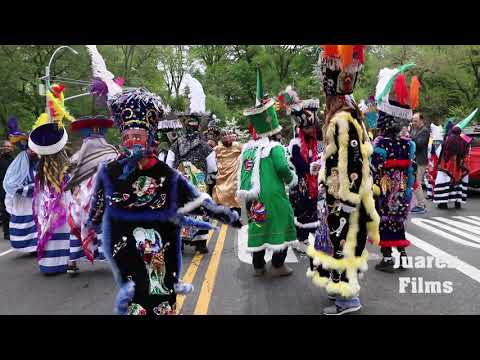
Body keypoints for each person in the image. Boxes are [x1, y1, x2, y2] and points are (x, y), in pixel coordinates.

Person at [86, 88, 241, 315]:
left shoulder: (167, 174)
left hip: (161, 253)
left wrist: (223, 213)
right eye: (128, 138)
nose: (132, 143)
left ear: (149, 139)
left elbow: (197, 201)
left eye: (137, 137)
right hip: (127, 254)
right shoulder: (108, 172)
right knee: (135, 304)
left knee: (160, 302)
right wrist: (92, 226)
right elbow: (96, 210)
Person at [306, 45, 380, 315]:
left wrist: (346, 201)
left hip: (344, 199)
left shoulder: (342, 119)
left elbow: (354, 163)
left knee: (343, 248)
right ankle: (340, 296)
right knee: (336, 247)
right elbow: (338, 157)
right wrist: (321, 165)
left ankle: (348, 301)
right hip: (337, 197)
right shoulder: (346, 115)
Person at [237, 67, 297, 278]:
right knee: (283, 222)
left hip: (253, 197)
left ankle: (259, 265)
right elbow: (282, 168)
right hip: (273, 195)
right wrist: (291, 179)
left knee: (258, 224)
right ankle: (279, 265)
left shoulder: (248, 148)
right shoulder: (276, 148)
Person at [370, 65, 419, 272]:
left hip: (384, 189)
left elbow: (374, 168)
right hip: (401, 191)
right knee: (398, 222)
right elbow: (410, 170)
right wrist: (409, 188)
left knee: (384, 222)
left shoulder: (380, 144)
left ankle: (388, 259)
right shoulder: (408, 145)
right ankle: (403, 257)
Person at [28, 84, 80, 274]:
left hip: (46, 203)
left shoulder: (40, 166)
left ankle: (50, 264)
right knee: (64, 230)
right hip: (62, 202)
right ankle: (68, 262)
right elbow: (71, 181)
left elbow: (38, 184)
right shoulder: (63, 164)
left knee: (48, 229)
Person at [66, 115, 119, 273]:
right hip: (101, 198)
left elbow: (68, 173)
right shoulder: (112, 153)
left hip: (83, 199)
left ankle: (72, 261)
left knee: (78, 224)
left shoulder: (78, 156)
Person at [279, 86, 324, 254]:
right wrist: (310, 167)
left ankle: (309, 236)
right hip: (301, 184)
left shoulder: (318, 142)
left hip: (315, 182)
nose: (310, 131)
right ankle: (300, 238)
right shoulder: (295, 144)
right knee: (301, 209)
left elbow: (322, 156)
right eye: (307, 129)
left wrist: (319, 165)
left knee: (314, 208)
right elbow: (299, 165)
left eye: (312, 128)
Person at [171, 111, 217, 254]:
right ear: (198, 127)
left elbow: (168, 163)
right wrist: (211, 179)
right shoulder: (205, 146)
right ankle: (200, 243)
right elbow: (212, 168)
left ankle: (179, 242)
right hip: (199, 183)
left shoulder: (176, 144)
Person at [3, 118, 38, 252]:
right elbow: (12, 184)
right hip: (23, 202)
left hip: (35, 201)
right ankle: (28, 246)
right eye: (31, 150)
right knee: (26, 223)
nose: (33, 152)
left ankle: (35, 246)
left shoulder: (38, 163)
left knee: (36, 224)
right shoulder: (19, 163)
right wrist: (28, 189)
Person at [433, 125, 470, 208]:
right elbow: (468, 146)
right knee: (459, 183)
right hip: (460, 167)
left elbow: (443, 153)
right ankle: (458, 202)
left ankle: (443, 203)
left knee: (445, 183)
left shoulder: (448, 140)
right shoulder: (464, 140)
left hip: (448, 166)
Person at [212, 129, 242, 215]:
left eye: (228, 136)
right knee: (222, 191)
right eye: (224, 136)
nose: (226, 138)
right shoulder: (217, 149)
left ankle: (237, 209)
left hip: (234, 172)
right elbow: (210, 157)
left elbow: (246, 153)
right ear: (221, 139)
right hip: (222, 173)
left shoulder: (238, 145)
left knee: (234, 189)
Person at [410, 112, 429, 214]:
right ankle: (419, 204)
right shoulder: (414, 129)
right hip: (414, 160)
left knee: (417, 183)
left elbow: (419, 144)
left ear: (421, 120)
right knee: (415, 183)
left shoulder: (425, 131)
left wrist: (409, 138)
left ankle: (421, 205)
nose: (413, 122)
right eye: (413, 120)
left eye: (415, 121)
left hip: (420, 161)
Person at [0, 140, 14, 240]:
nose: (8, 148)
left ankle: (13, 230)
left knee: (13, 210)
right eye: (6, 146)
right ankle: (6, 233)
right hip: (2, 188)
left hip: (12, 188)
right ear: (2, 148)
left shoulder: (14, 160)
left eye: (9, 146)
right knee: (5, 210)